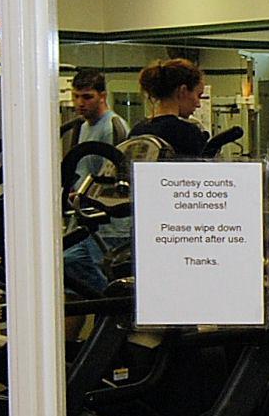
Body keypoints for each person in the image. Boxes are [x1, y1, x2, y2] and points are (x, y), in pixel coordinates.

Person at [60, 69, 130, 297]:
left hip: (109, 224)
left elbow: (114, 178)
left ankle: (115, 306)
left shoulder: (113, 127)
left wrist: (83, 195)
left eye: (87, 97)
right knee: (68, 264)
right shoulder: (83, 127)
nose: (80, 103)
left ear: (103, 96)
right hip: (85, 215)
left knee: (91, 269)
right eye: (76, 96)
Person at [131, 58, 210, 158]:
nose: (198, 104)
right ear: (183, 91)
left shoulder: (137, 131)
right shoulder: (188, 134)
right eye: (198, 95)